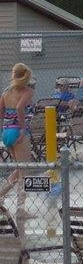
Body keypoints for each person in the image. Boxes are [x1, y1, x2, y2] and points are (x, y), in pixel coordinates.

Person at [0, 63, 36, 219]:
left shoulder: (6, 92)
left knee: (18, 168)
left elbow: (1, 112)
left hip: (7, 132)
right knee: (25, 172)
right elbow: (21, 108)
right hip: (18, 132)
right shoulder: (28, 91)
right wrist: (22, 129)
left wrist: (3, 129)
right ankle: (21, 209)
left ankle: (1, 195)